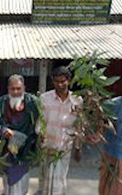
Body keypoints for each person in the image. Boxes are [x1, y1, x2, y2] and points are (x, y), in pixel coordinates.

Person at [39, 66, 82, 195]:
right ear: (52, 81)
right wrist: (42, 143)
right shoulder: (44, 98)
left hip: (65, 149)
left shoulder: (77, 100)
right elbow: (40, 123)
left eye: (63, 81)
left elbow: (78, 126)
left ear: (68, 80)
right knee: (45, 182)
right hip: (47, 148)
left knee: (60, 182)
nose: (60, 84)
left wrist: (78, 148)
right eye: (56, 81)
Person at [0, 74, 40, 195]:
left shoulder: (32, 103)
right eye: (12, 88)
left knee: (22, 182)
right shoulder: (2, 102)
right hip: (7, 150)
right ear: (8, 89)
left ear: (24, 88)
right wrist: (3, 130)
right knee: (8, 182)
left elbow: (39, 122)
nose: (15, 92)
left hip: (25, 149)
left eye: (18, 88)